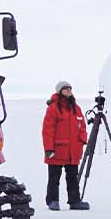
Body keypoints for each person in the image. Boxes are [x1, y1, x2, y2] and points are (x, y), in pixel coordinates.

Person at [43, 80, 90, 211]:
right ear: (60, 91)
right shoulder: (53, 108)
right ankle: (52, 200)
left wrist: (82, 140)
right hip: (57, 150)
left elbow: (82, 127)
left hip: (73, 151)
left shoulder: (76, 108)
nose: (69, 91)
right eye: (66, 89)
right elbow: (47, 131)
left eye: (70, 88)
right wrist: (48, 149)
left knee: (73, 177)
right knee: (54, 177)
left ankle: (74, 201)